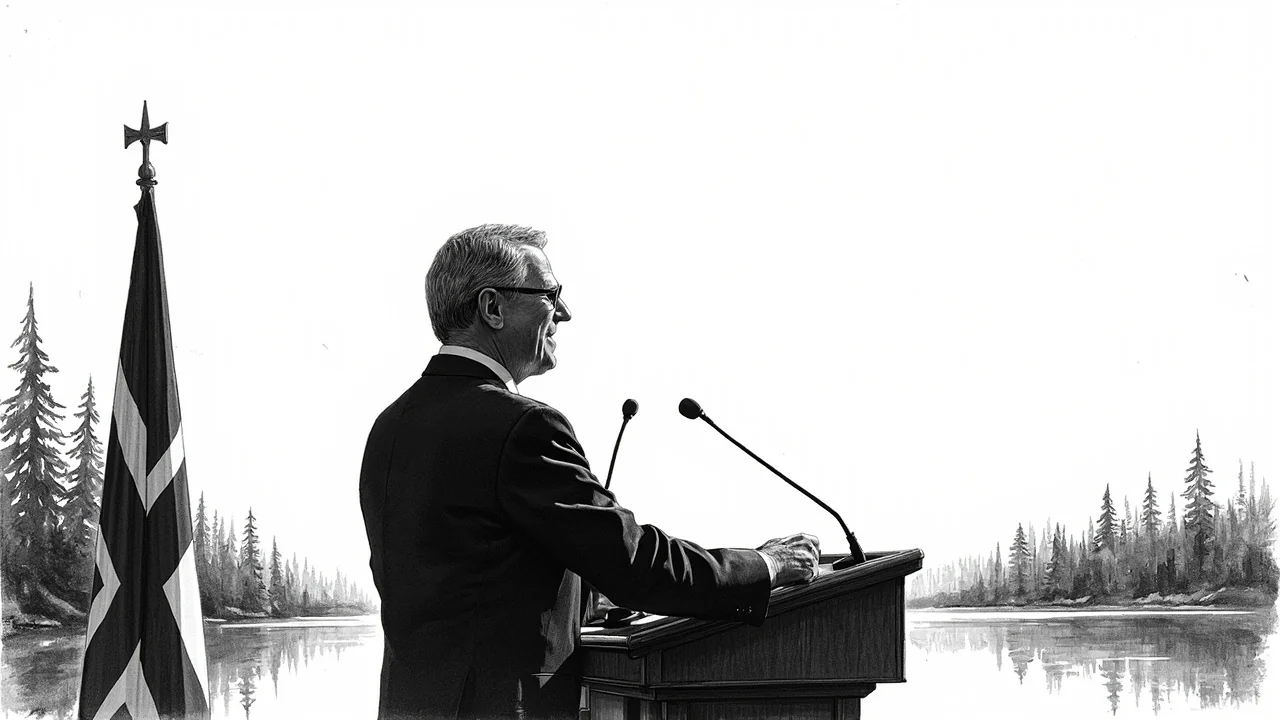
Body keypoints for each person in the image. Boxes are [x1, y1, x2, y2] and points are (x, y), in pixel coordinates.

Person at [359, 224, 821, 720]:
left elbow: (463, 586)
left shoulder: (389, 428)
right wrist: (764, 566)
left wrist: (581, 598)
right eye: (550, 294)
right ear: (492, 308)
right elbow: (635, 563)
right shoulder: (522, 428)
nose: (564, 312)